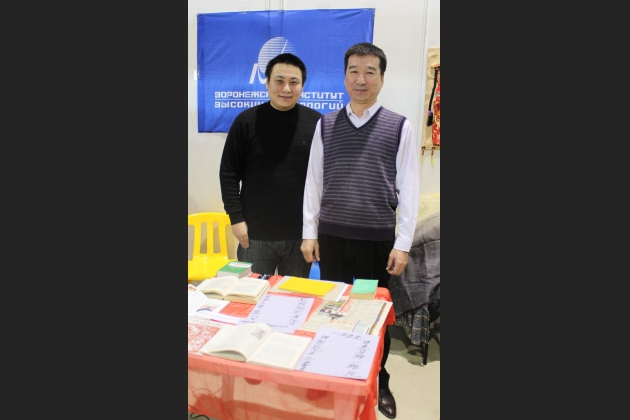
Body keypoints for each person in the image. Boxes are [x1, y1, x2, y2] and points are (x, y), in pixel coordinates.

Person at [301, 42, 419, 419]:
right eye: (354, 70)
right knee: (333, 311)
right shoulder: (326, 124)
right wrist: (309, 232)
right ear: (344, 77)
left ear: (382, 78)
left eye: (370, 71)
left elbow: (409, 188)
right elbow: (313, 182)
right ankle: (334, 372)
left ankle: (378, 379)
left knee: (371, 314)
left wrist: (403, 244)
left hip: (375, 242)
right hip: (332, 240)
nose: (361, 79)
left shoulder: (399, 126)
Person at [219, 53, 322, 278]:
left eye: (293, 82)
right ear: (266, 82)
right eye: (279, 81)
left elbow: (323, 178)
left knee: (293, 296)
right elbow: (228, 173)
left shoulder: (317, 123)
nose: (286, 88)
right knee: (250, 295)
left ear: (302, 86)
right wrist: (236, 219)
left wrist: (314, 230)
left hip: (300, 236)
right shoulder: (246, 121)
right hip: (254, 235)